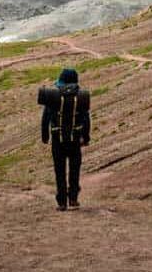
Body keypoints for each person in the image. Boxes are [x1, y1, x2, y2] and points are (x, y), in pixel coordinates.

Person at [38, 67, 91, 211]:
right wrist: (85, 138)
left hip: (57, 139)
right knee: (75, 169)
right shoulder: (81, 97)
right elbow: (86, 119)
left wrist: (45, 136)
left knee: (59, 170)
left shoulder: (53, 96)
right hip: (75, 140)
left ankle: (62, 202)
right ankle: (73, 199)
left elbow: (45, 118)